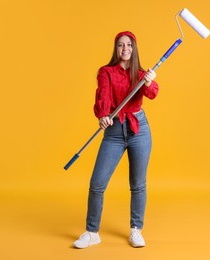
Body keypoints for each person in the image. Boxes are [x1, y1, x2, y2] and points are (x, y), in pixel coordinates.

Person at [73, 31, 159, 249]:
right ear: (116, 48)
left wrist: (149, 82)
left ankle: (136, 230)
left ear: (134, 47)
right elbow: (102, 94)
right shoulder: (106, 72)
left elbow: (153, 94)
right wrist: (103, 114)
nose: (125, 49)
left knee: (138, 184)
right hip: (114, 129)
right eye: (120, 45)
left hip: (139, 130)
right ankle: (92, 233)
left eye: (128, 45)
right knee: (97, 184)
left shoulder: (141, 74)